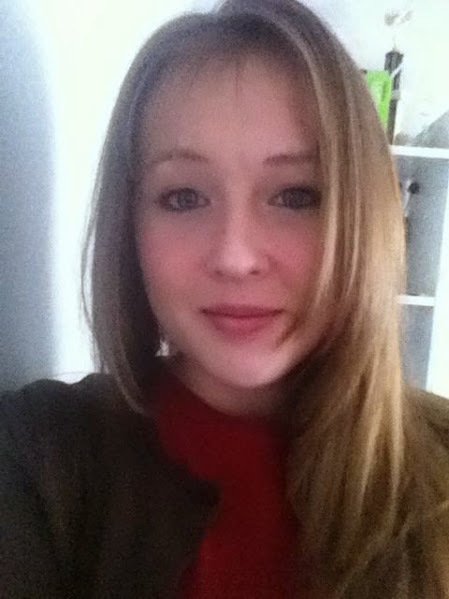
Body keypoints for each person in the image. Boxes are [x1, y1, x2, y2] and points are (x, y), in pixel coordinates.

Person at [2, 0, 449, 597]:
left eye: (296, 195)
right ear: (130, 227)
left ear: (364, 219)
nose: (235, 257)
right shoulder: (42, 455)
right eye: (184, 197)